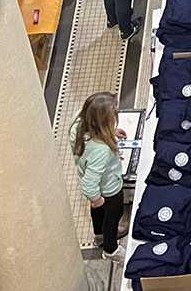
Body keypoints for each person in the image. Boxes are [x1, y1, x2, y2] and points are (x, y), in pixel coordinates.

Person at [70, 92, 127, 261]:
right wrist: (97, 199)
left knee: (98, 212)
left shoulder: (78, 124)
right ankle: (110, 249)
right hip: (110, 188)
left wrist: (111, 132)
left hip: (97, 186)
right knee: (113, 215)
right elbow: (89, 184)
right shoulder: (101, 150)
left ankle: (99, 236)